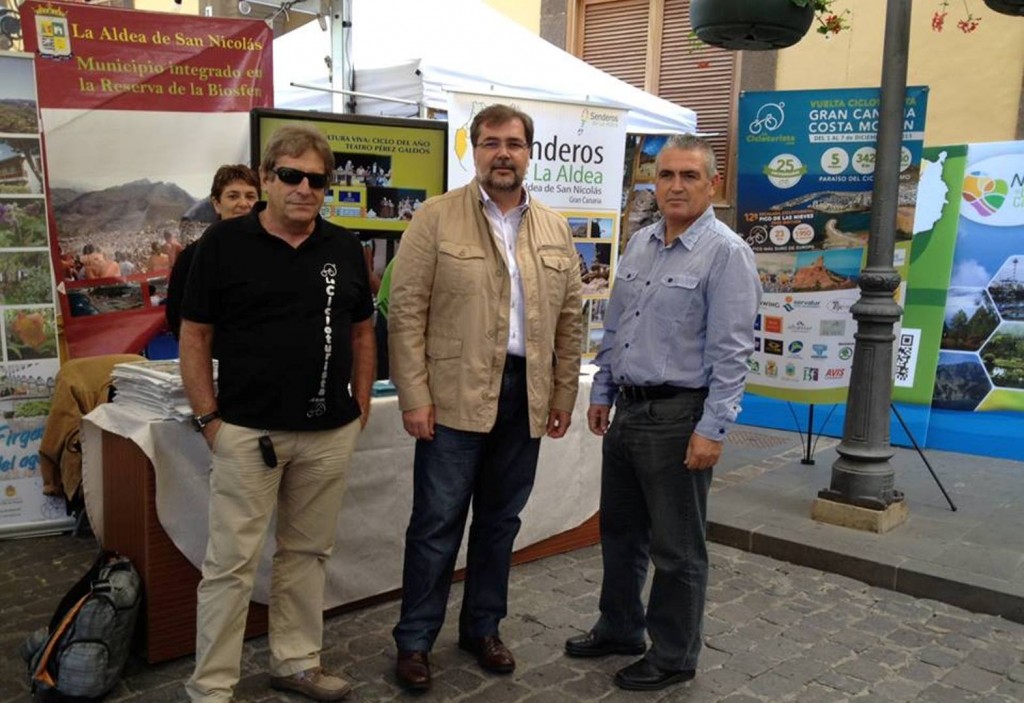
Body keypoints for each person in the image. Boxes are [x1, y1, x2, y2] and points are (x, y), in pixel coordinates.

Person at [387, 103, 583, 691]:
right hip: (451, 394)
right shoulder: (435, 218)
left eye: (515, 143)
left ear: (529, 153)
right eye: (491, 142)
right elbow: (406, 311)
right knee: (437, 522)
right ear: (473, 151)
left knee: (500, 523)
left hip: (527, 392)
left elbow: (571, 319)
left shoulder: (554, 226)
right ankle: (415, 641)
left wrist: (564, 396)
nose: (504, 152)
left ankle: (482, 628)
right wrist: (414, 395)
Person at [180, 126, 375, 703]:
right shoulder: (221, 246)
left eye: (316, 179)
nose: (303, 188)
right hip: (246, 431)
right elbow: (195, 336)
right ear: (266, 178)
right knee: (229, 567)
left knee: (308, 555)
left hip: (327, 431)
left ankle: (295, 662)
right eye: (290, 175)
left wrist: (360, 405)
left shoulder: (343, 246)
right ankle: (212, 687)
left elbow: (363, 331)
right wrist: (208, 419)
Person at [563, 135, 761, 692]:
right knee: (620, 532)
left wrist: (713, 429)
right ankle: (620, 627)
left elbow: (732, 352)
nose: (674, 185)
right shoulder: (642, 243)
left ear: (712, 184)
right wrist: (602, 391)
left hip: (679, 417)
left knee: (676, 547)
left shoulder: (726, 253)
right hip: (628, 412)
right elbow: (617, 327)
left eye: (689, 176)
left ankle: (673, 654)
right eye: (666, 174)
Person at [165, 165, 260, 338]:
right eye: (233, 196)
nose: (244, 203)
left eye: (250, 196)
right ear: (217, 204)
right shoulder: (193, 256)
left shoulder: (271, 251)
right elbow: (177, 316)